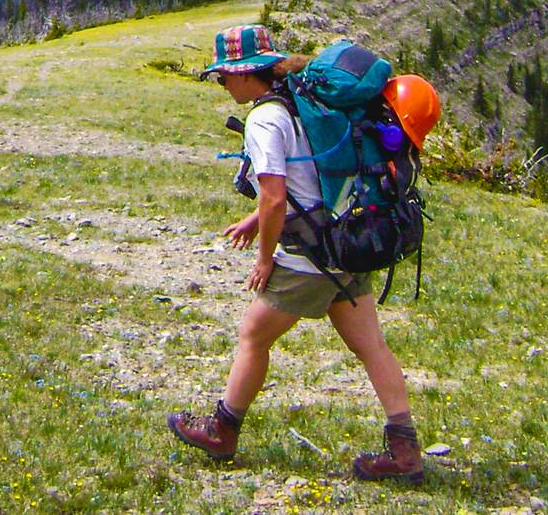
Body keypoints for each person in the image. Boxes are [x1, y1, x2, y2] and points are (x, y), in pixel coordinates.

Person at [167, 24, 424, 482]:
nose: (222, 85)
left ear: (247, 74)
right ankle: (404, 449)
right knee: (371, 346)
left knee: (253, 335)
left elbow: (274, 196)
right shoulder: (302, 101)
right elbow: (309, 175)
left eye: (224, 76)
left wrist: (266, 258)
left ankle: (223, 431)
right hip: (344, 241)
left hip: (308, 258)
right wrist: (253, 222)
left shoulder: (265, 119)